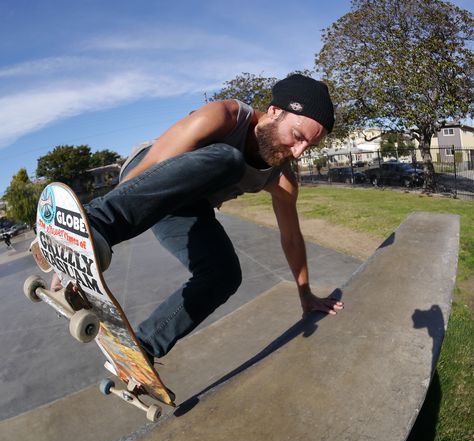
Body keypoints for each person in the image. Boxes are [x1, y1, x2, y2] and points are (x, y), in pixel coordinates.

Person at [52, 74, 344, 363]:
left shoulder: (282, 178)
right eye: (297, 137)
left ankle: (142, 348)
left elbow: (291, 237)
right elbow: (153, 162)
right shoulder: (225, 116)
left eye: (309, 147)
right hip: (149, 173)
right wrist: (82, 233)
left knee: (225, 275)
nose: (298, 152)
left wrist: (305, 293)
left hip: (187, 206)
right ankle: (94, 224)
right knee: (229, 160)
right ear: (275, 112)